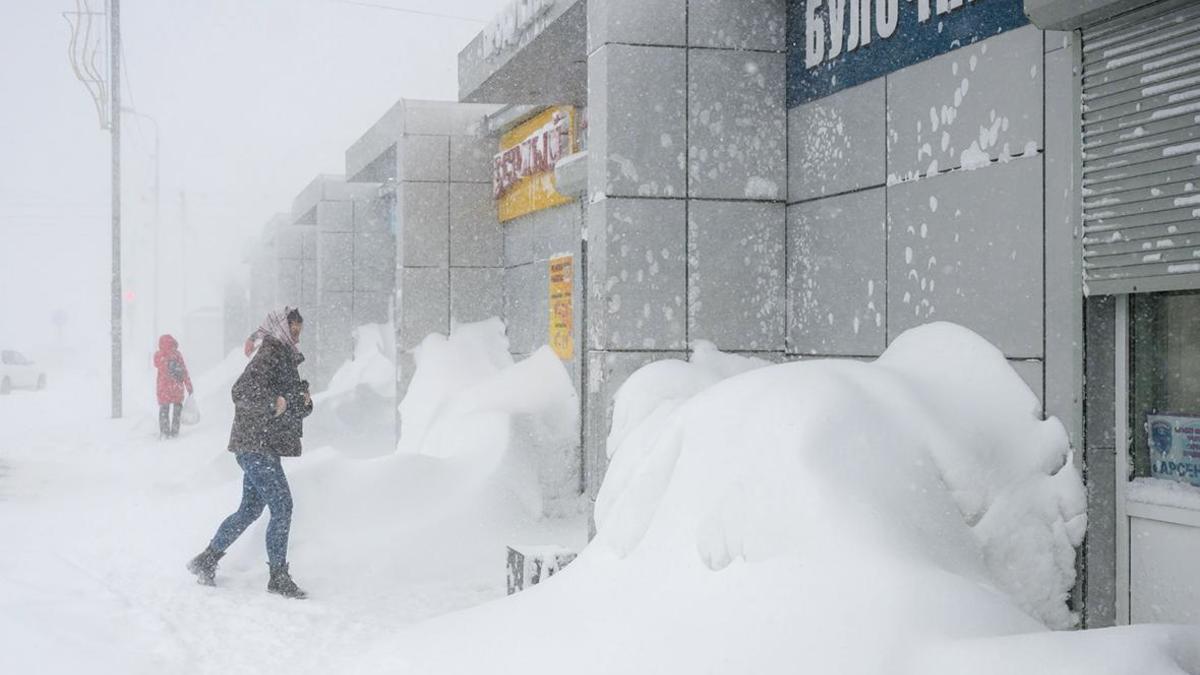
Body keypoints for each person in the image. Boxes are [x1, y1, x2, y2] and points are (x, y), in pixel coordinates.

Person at [186, 307, 314, 599]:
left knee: (250, 509)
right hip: (256, 445)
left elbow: (288, 401)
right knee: (283, 506)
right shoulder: (270, 353)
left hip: (260, 445)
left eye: (299, 329)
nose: (296, 333)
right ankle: (278, 576)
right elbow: (242, 391)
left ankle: (206, 560)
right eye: (292, 328)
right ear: (281, 327)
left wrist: (302, 401)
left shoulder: (284, 357)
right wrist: (274, 402)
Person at [153, 334, 193, 439]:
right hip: (176, 387)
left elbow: (158, 365)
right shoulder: (177, 355)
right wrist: (188, 385)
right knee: (177, 410)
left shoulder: (158, 356)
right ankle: (175, 432)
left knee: (164, 410)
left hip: (163, 389)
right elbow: (184, 371)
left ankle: (164, 432)